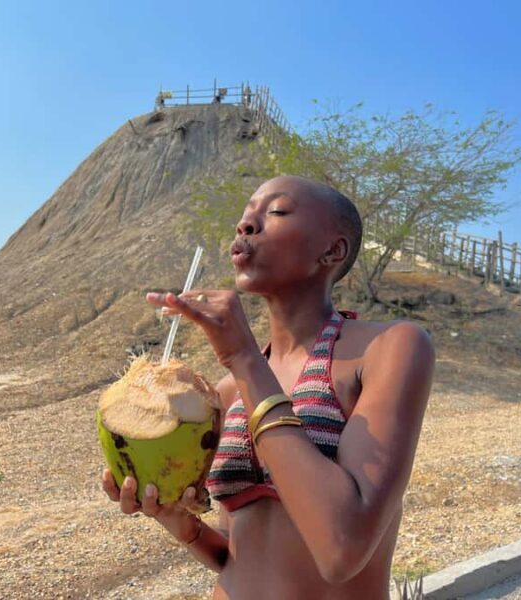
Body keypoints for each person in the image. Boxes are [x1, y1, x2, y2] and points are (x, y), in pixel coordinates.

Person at [102, 175, 434, 599]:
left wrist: (244, 357)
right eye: (245, 216)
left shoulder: (389, 347)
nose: (246, 225)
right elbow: (238, 553)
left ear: (332, 250)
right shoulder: (228, 391)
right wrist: (178, 521)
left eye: (276, 211)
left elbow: (342, 548)